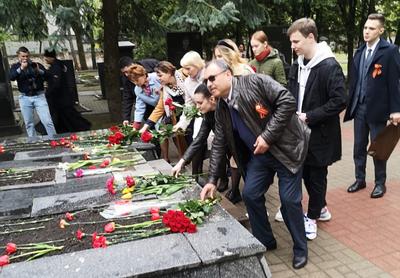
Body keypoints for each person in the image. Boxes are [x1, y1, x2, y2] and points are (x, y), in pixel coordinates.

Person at [200, 59, 310, 269]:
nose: (209, 84)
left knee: (289, 201)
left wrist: (267, 137)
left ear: (228, 74)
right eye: (206, 81)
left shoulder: (255, 82)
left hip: (287, 150)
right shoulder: (222, 106)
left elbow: (287, 101)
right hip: (261, 156)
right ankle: (265, 241)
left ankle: (300, 248)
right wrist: (213, 179)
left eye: (212, 78)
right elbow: (219, 143)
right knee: (250, 194)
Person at [286, 18, 347, 240]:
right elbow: (291, 92)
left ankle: (312, 217)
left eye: (296, 41)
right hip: (299, 132)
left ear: (310, 37)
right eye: (291, 42)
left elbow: (340, 100)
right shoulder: (297, 63)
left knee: (317, 176)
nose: (293, 46)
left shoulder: (329, 65)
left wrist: (310, 116)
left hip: (321, 134)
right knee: (304, 174)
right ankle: (320, 208)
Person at [344, 13, 400, 198]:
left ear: (381, 30)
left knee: (378, 148)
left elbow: (394, 83)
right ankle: (360, 179)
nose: (366, 31)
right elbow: (356, 80)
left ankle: (379, 183)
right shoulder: (360, 51)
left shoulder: (390, 51)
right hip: (359, 108)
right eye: (365, 27)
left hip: (378, 109)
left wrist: (395, 110)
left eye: (371, 28)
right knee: (358, 146)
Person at [213, 39, 254, 201]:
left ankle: (252, 197)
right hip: (232, 126)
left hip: (248, 125)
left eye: (220, 56)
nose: (217, 59)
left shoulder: (243, 71)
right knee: (236, 160)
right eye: (215, 56)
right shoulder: (221, 73)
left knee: (250, 164)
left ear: (229, 55)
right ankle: (239, 191)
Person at [171, 84, 228, 188]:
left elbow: (219, 145)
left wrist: (211, 181)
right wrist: (181, 162)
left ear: (211, 99)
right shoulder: (208, 114)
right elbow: (199, 139)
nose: (197, 107)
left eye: (200, 103)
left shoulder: (226, 110)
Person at [139, 61, 187, 162]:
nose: (159, 78)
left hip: (190, 117)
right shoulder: (166, 88)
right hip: (177, 120)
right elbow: (160, 108)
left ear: (169, 72)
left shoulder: (185, 81)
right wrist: (145, 127)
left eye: (160, 75)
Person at [9, 46, 56, 138]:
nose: (25, 58)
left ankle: (54, 139)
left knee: (47, 121)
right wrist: (21, 68)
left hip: (39, 96)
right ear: (18, 56)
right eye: (23, 56)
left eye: (27, 56)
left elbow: (48, 76)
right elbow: (11, 77)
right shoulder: (15, 67)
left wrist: (39, 71)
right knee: (29, 123)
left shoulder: (36, 64)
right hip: (24, 97)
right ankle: (33, 142)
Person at [43, 49, 91, 133]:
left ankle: (83, 127)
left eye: (46, 57)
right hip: (61, 98)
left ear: (51, 57)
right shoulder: (59, 65)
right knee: (63, 116)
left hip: (60, 98)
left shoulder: (56, 67)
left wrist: (48, 93)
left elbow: (56, 84)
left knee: (70, 115)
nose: (45, 59)